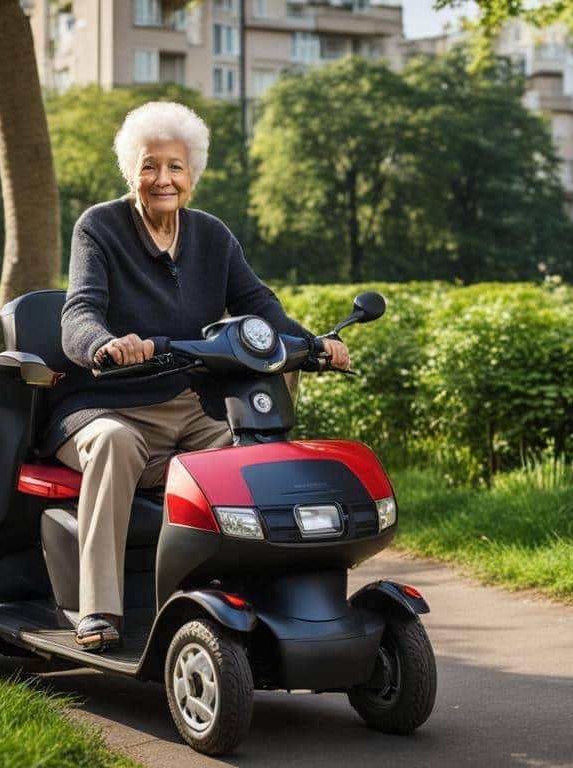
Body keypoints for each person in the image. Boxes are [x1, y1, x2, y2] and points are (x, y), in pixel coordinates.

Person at [53, 102, 351, 650]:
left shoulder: (212, 236)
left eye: (174, 167)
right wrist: (105, 344)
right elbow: (79, 313)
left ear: (193, 174)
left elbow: (260, 305)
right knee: (115, 444)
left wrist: (313, 345)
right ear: (130, 172)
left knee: (258, 453)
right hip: (108, 404)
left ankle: (253, 595)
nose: (162, 179)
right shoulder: (99, 226)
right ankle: (98, 609)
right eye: (149, 166)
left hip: (193, 406)